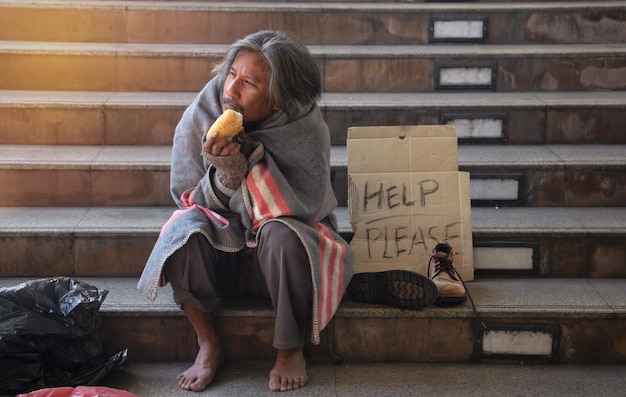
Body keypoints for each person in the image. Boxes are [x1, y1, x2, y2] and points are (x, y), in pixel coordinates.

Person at [137, 30, 355, 392]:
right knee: (182, 231)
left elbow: (309, 205)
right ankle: (208, 345)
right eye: (231, 73)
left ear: (276, 101)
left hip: (277, 263)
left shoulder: (302, 124)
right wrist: (227, 176)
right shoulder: (207, 109)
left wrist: (251, 165)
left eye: (249, 83)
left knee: (284, 233)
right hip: (219, 257)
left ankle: (289, 348)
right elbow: (187, 196)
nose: (231, 90)